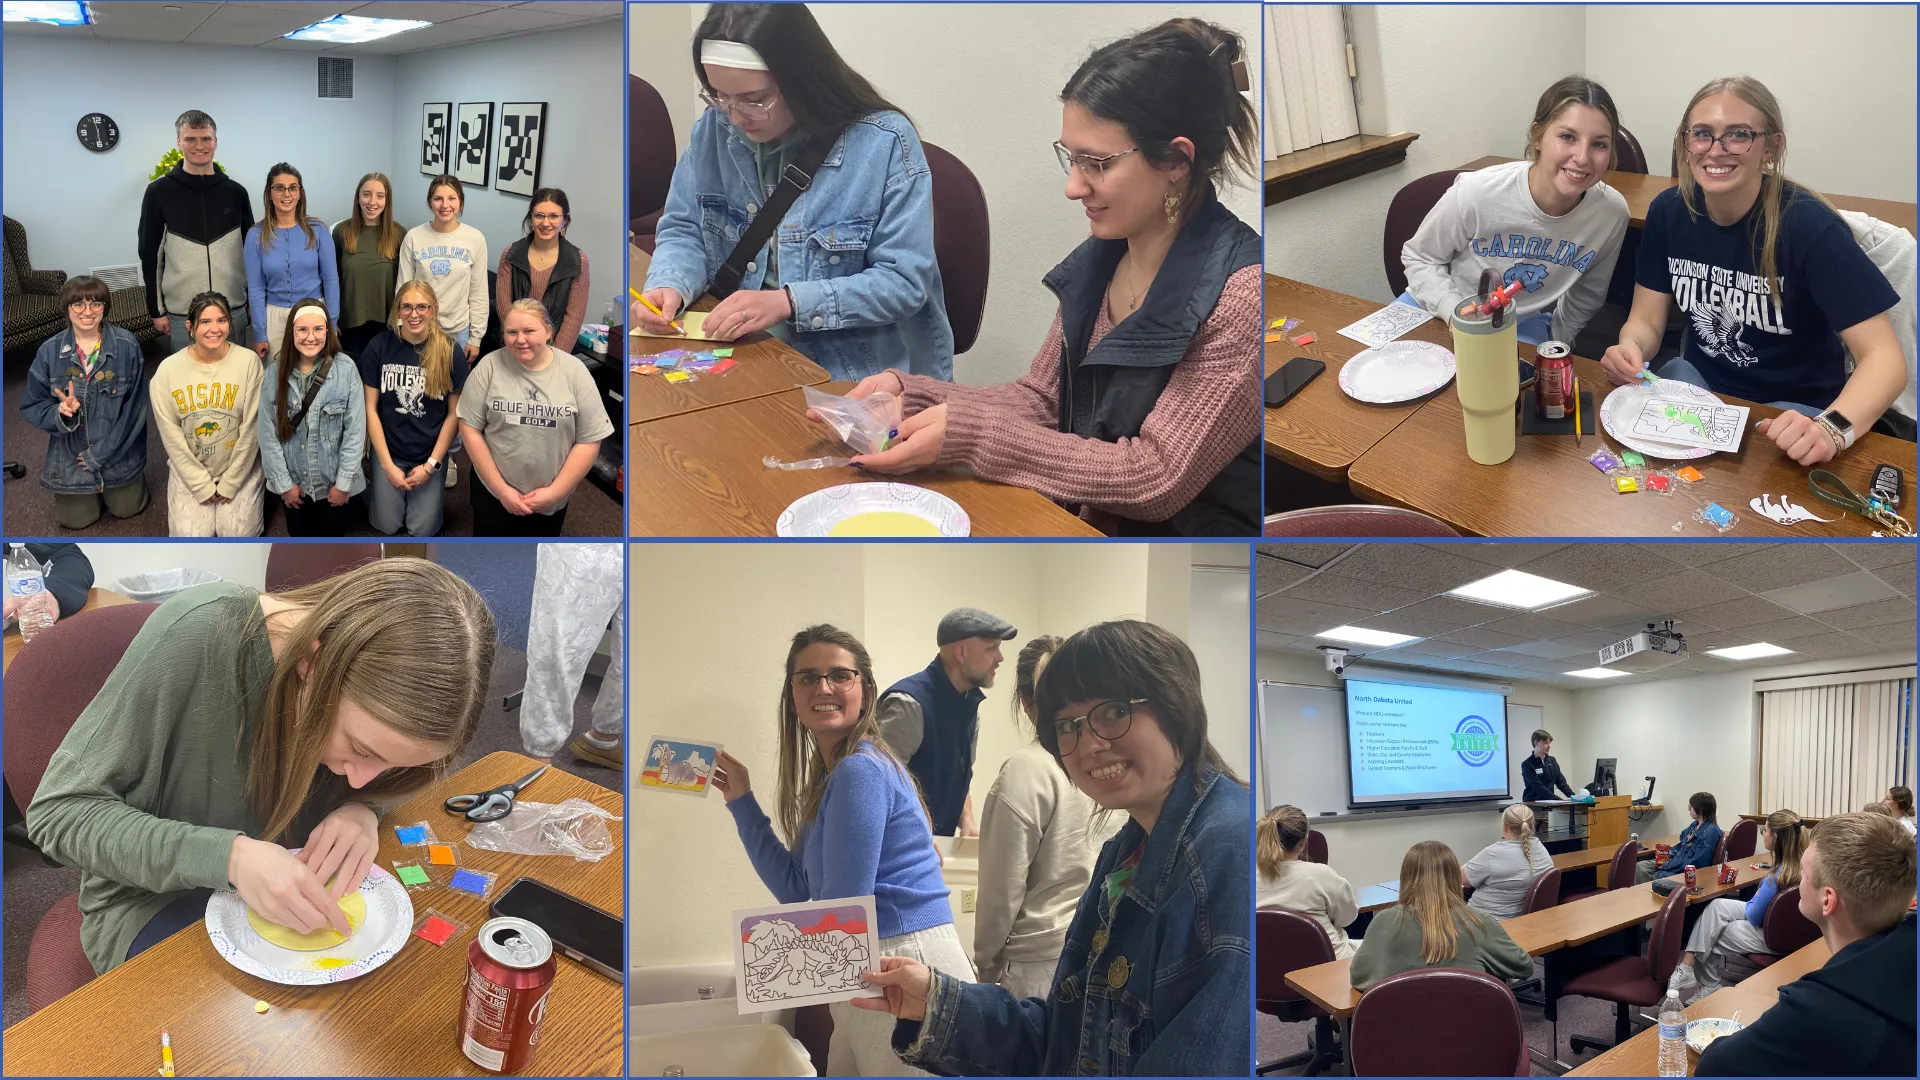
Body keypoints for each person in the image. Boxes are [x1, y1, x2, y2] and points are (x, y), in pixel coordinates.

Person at [835, 19, 1262, 536]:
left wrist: (973, 436)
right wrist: (914, 396)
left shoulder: (1240, 295)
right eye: (1070, 158)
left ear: (1175, 159)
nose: (1073, 187)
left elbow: (1153, 475)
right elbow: (1044, 399)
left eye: (1096, 163)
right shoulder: (1102, 257)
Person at [25, 558, 496, 974]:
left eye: (388, 767)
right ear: (311, 663)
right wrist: (230, 857)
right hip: (156, 900)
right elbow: (58, 815)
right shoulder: (198, 636)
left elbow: (374, 778)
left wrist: (362, 809)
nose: (358, 777)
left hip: (294, 880)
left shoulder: (369, 733)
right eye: (360, 749)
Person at [858, 620, 1251, 1076]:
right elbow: (1069, 1041)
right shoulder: (1125, 851)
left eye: (1114, 712)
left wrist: (985, 964)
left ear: (1177, 705)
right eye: (1068, 725)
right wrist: (939, 1001)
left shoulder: (1223, 852)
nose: (1090, 744)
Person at [634, 2, 954, 381]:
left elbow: (903, 283)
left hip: (849, 370)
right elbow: (685, 229)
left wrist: (788, 302)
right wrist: (669, 282)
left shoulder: (883, 143)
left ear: (802, 81)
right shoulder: (713, 130)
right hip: (745, 350)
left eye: (754, 100)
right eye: (719, 95)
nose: (734, 116)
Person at [1600, 76, 1910, 463]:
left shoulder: (1809, 227)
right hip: (1700, 390)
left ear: (1771, 147)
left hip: (1793, 411)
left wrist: (1832, 429)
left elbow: (1886, 360)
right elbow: (1645, 319)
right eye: (1702, 134)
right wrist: (1631, 347)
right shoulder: (1668, 212)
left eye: (1738, 135)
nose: (1716, 150)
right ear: (1685, 143)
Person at [713, 624, 972, 1077]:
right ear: (792, 696)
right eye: (808, 677)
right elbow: (797, 889)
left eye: (840, 675)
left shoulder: (860, 771)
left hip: (901, 958)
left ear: (865, 690)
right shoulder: (830, 779)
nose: (824, 687)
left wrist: (768, 967)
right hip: (866, 960)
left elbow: (840, 910)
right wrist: (741, 800)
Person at [1400, 76, 1629, 351]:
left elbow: (1588, 294)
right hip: (1436, 308)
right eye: (1567, 137)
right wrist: (1452, 312)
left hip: (1517, 325)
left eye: (1599, 144)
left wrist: (1557, 338)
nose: (1582, 157)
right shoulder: (1477, 192)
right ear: (1538, 137)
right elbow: (1419, 257)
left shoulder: (1610, 213)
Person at [1695, 812, 1915, 1076]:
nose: (1798, 878)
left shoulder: (1815, 1011)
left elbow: (1714, 1067)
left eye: (1804, 873)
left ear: (1827, 900)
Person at [974, 635, 1109, 998]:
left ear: (1024, 701)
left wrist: (986, 967)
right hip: (1104, 953)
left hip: (1040, 966)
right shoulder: (1109, 763)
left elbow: (1001, 891)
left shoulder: (1025, 770)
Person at [455, 299, 613, 536]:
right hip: (493, 493)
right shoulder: (488, 367)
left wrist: (555, 493)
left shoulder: (575, 372)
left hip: (550, 498)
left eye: (529, 331)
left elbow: (589, 440)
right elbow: (469, 428)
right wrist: (502, 490)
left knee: (536, 550)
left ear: (548, 331)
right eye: (512, 332)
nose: (520, 339)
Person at [20, 276, 151, 529]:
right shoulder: (48, 351)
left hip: (117, 452)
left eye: (96, 304)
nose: (88, 312)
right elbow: (31, 405)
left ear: (105, 307)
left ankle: (125, 484)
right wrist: (60, 413)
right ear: (67, 308)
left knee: (127, 509)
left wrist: (100, 454)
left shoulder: (127, 345)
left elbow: (136, 409)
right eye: (78, 304)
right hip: (72, 457)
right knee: (75, 521)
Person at [877, 607, 1017, 837]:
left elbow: (958, 781)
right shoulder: (909, 705)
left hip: (935, 850)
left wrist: (967, 820)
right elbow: (877, 789)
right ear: (961, 652)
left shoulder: (969, 705)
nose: (1000, 658)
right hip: (900, 851)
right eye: (991, 648)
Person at [147, 291, 264, 537]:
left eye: (221, 320)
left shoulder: (249, 362)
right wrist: (199, 484)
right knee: (190, 538)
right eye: (205, 322)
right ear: (190, 327)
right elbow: (171, 436)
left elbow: (252, 429)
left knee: (237, 535)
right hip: (191, 468)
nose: (215, 329)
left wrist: (232, 481)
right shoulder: (167, 371)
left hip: (238, 466)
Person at [138, 110, 254, 353]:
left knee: (236, 373)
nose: (199, 146)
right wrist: (156, 310)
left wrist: (253, 302)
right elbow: (150, 255)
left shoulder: (236, 193)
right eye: (190, 139)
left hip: (232, 309)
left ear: (215, 141)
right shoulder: (158, 192)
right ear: (179, 142)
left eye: (206, 139)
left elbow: (251, 253)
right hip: (183, 313)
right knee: (188, 375)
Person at [358, 281, 468, 537]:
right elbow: (370, 410)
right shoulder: (379, 346)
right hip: (389, 451)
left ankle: (417, 490)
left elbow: (454, 416)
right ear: (398, 310)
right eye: (406, 307)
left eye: (422, 307)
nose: (414, 314)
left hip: (429, 453)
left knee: (422, 530)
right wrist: (387, 466)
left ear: (433, 309)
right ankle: (372, 485)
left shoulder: (450, 351)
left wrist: (431, 466)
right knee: (387, 525)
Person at [1349, 840, 1533, 991]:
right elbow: (1524, 966)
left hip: (1400, 1024)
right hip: (1468, 1023)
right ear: (1454, 877)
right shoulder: (1478, 923)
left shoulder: (1383, 922)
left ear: (1406, 878)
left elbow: (1358, 977)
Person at [1668, 809, 1805, 1001]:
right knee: (1716, 907)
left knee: (1712, 932)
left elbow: (1754, 916)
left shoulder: (1775, 876)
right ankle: (1687, 967)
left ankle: (1708, 983)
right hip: (1794, 932)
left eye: (1765, 830)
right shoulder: (1803, 867)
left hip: (1773, 937)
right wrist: (1757, 898)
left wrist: (1757, 896)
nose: (1763, 834)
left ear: (1775, 837)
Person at [257, 298, 365, 537]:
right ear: (291, 332)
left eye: (318, 329)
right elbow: (267, 436)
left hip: (334, 485)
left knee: (334, 540)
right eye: (302, 330)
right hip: (295, 486)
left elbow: (355, 432)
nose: (310, 337)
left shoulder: (346, 370)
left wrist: (344, 483)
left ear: (328, 331)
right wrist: (284, 485)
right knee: (300, 540)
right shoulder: (273, 374)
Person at [518, 543, 623, 769]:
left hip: (656, 554)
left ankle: (604, 737)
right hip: (592, 549)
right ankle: (538, 763)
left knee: (639, 653)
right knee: (559, 649)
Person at [243, 164, 340, 359]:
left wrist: (332, 322)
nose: (286, 194)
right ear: (269, 193)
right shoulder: (255, 235)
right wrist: (259, 332)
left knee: (315, 370)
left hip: (314, 314)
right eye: (279, 187)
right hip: (274, 319)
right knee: (276, 371)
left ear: (300, 193)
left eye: (292, 188)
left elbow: (331, 281)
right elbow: (255, 288)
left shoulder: (318, 230)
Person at [396, 175, 487, 364]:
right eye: (438, 199)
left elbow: (478, 293)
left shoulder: (475, 239)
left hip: (458, 332)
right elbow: (403, 287)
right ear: (430, 202)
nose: (445, 205)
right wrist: (400, 324)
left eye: (452, 198)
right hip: (419, 327)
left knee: (455, 381)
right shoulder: (413, 237)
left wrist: (476, 337)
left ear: (461, 202)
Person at [1256, 804, 1358, 959]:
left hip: (1270, 967)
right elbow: (1347, 918)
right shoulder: (1321, 875)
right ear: (1304, 842)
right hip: (1330, 966)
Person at [496, 188, 590, 356]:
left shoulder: (578, 262)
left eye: (553, 216)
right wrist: (519, 345)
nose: (546, 223)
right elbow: (505, 310)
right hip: (515, 346)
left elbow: (573, 319)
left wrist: (553, 359)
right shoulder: (511, 255)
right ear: (531, 218)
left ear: (565, 220)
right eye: (539, 215)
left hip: (554, 351)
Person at [333, 172, 403, 357]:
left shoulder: (399, 234)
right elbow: (332, 279)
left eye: (380, 196)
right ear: (358, 198)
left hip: (386, 325)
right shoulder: (342, 232)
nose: (373, 202)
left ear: (387, 200)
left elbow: (404, 283)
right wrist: (331, 318)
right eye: (366, 194)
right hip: (350, 324)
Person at [1462, 802, 1554, 920]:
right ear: (1531, 825)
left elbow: (1462, 880)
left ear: (1505, 827)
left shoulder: (1492, 854)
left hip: (1485, 922)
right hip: (1521, 920)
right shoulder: (1540, 849)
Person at [1636, 791, 1723, 883]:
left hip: (1682, 871)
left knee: (1649, 875)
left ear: (1700, 809)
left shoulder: (1710, 832)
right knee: (1641, 866)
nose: (1689, 809)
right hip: (1675, 863)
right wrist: (1668, 854)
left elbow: (1695, 862)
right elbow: (1682, 844)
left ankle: (1645, 890)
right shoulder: (1695, 825)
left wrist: (1666, 865)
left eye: (1691, 806)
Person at [1519, 728, 1575, 802]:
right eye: (1545, 743)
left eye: (1549, 743)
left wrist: (1575, 798)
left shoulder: (1552, 760)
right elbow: (1539, 788)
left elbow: (1561, 783)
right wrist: (1560, 801)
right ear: (1536, 743)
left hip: (1549, 802)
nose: (1549, 746)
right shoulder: (1527, 764)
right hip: (1533, 803)